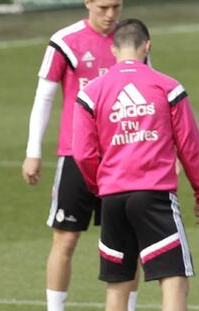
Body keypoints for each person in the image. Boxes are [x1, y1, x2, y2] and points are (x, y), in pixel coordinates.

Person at [72, 18, 199, 311]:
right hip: (154, 195)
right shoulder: (168, 87)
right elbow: (190, 147)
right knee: (174, 279)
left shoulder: (90, 93)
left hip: (113, 197)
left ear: (113, 50)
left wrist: (99, 186)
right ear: (148, 46)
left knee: (118, 284)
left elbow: (82, 153)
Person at [22, 1, 138, 310]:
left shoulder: (130, 39)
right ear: (87, 2)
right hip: (76, 155)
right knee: (66, 240)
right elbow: (44, 95)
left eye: (116, 6)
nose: (111, 14)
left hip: (123, 157)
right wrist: (33, 151)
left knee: (129, 242)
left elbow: (148, 92)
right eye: (103, 7)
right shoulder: (64, 41)